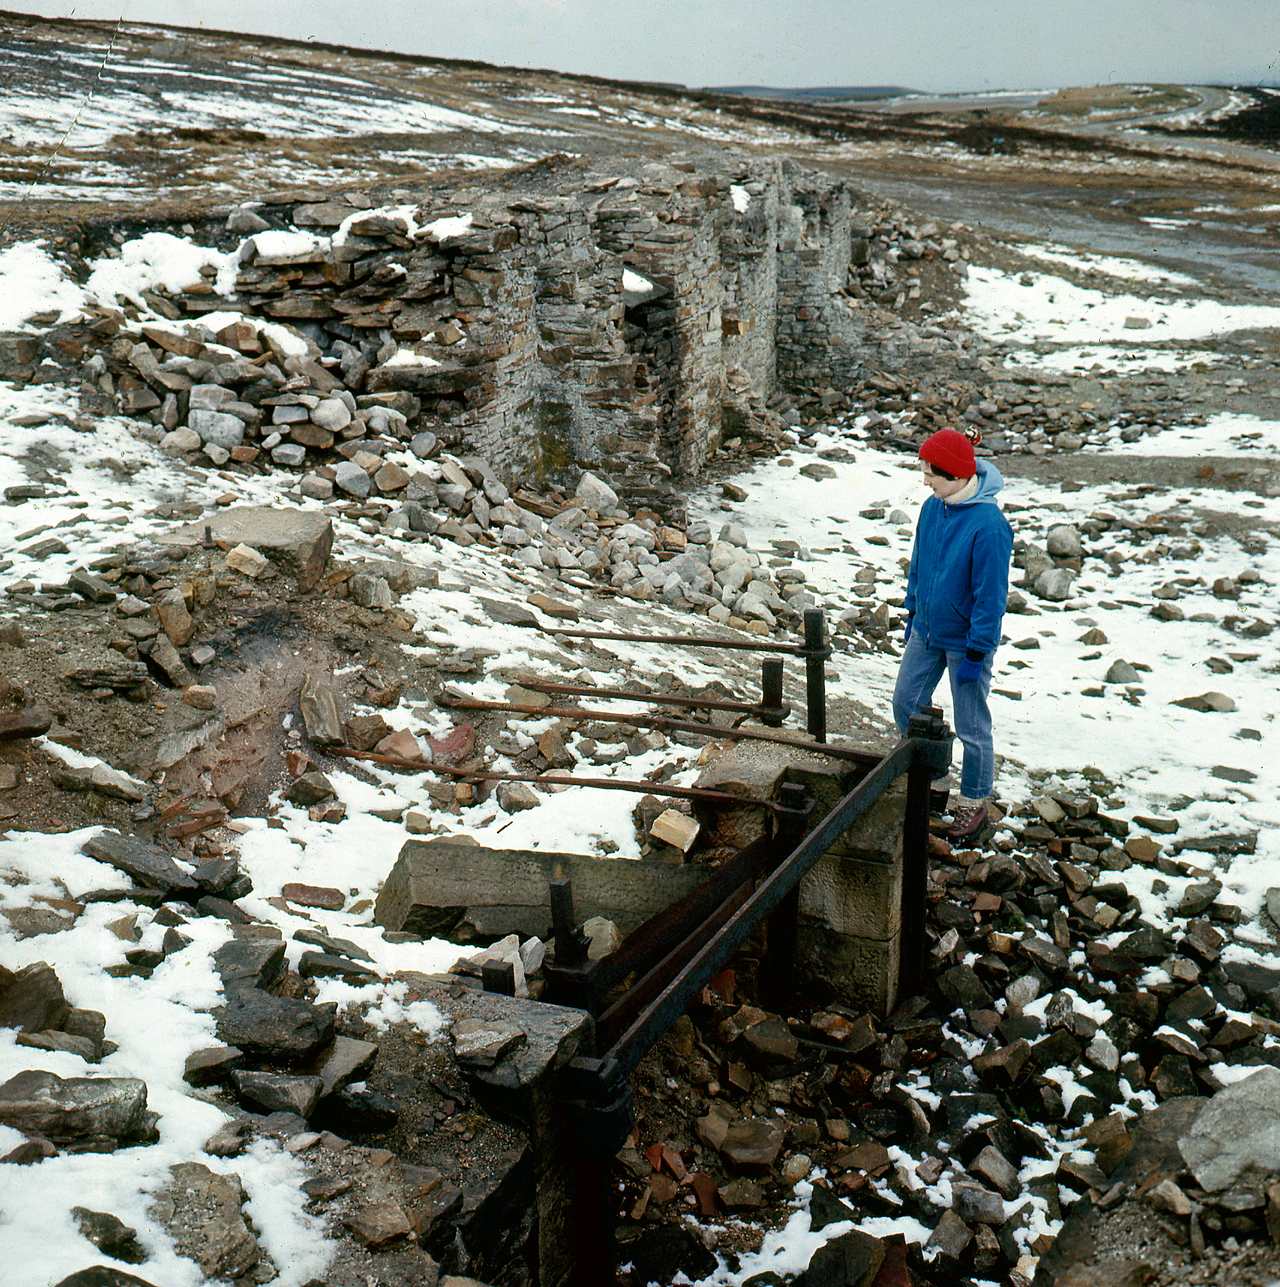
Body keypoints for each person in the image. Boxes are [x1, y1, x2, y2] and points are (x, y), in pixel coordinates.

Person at [892, 427, 1013, 842]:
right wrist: (913, 611)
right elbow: (919, 564)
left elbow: (991, 596)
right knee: (906, 702)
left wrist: (979, 650)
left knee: (971, 725)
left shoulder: (990, 526)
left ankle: (973, 802)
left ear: (957, 475)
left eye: (931, 473)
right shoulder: (933, 508)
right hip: (927, 630)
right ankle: (934, 778)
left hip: (966, 643)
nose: (925, 480)